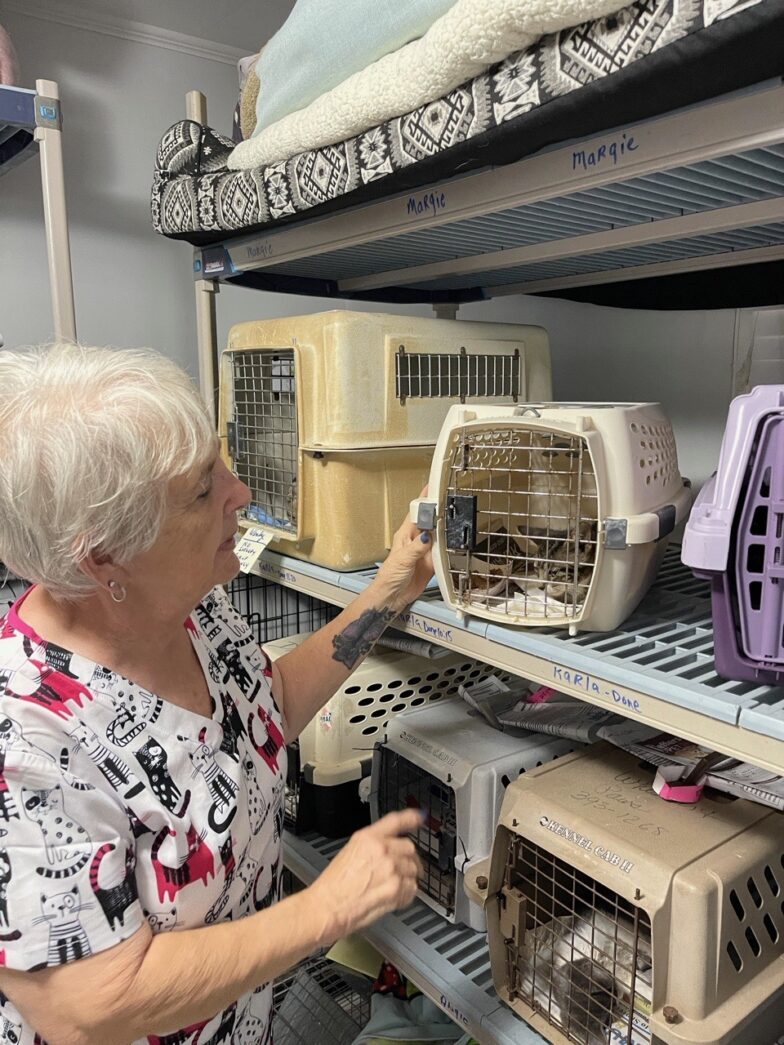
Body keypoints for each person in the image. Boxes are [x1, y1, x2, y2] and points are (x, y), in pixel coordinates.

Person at [0, 342, 432, 1045]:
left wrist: (388, 592)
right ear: (105, 555)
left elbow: (266, 709)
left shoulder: (188, 604)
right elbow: (92, 1005)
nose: (241, 492)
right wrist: (327, 905)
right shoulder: (25, 742)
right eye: (204, 489)